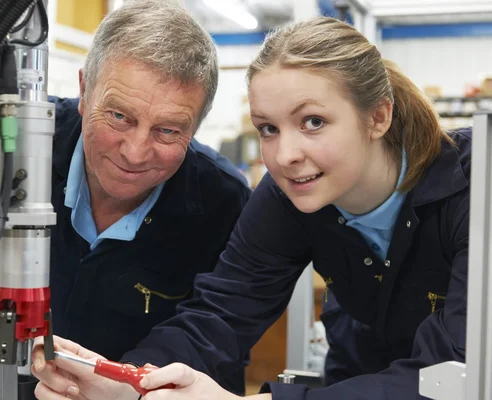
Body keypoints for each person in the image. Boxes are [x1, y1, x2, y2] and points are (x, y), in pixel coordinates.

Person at [32, 16, 469, 400]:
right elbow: (220, 316)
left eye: (313, 122)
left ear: (378, 116)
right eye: (269, 128)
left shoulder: (472, 190)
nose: (284, 155)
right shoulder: (290, 196)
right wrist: (129, 381)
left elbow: (456, 375)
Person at [39, 0, 251, 397]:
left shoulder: (225, 203)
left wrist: (131, 383)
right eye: (120, 116)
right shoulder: (21, 144)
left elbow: (219, 332)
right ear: (85, 91)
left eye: (168, 131)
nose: (135, 153)